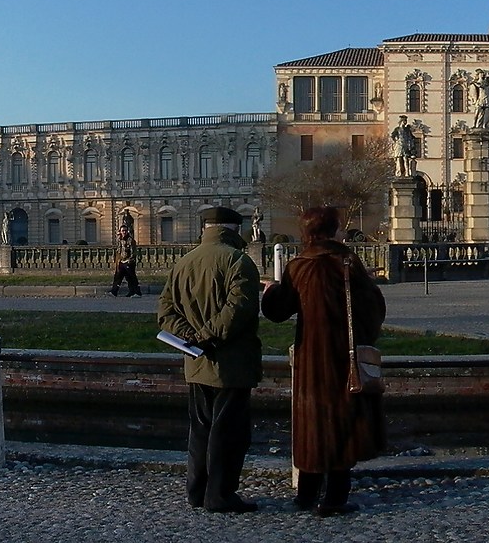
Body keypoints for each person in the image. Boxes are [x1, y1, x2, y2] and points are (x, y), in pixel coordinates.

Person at [261, 206, 388, 517]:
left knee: (311, 420)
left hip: (309, 355)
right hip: (341, 355)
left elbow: (277, 311)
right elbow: (371, 309)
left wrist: (271, 291)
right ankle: (334, 498)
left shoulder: (298, 266)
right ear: (332, 230)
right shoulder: (346, 262)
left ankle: (306, 493)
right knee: (342, 418)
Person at [154, 206, 263, 513]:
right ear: (233, 229)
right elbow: (239, 309)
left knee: (200, 429)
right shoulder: (238, 261)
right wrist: (207, 334)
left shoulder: (183, 262)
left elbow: (165, 312)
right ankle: (220, 495)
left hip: (196, 362)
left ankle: (197, 491)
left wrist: (190, 335)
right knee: (229, 432)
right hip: (231, 362)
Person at [111, 224, 142, 297]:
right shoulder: (119, 240)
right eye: (122, 231)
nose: (124, 232)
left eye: (125, 231)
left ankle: (137, 292)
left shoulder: (130, 240)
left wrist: (130, 260)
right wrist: (117, 260)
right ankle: (114, 292)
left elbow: (133, 252)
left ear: (127, 231)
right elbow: (118, 250)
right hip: (121, 261)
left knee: (131, 277)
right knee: (118, 277)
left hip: (128, 262)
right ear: (120, 231)